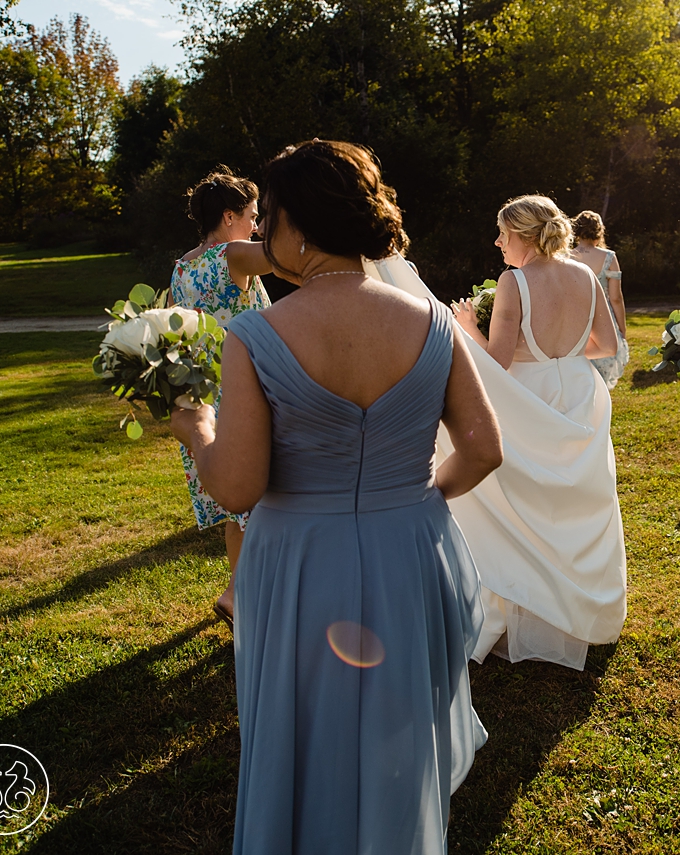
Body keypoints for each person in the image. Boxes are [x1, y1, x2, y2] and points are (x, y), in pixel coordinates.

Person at [169, 140, 502, 853]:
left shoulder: (256, 334)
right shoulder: (435, 322)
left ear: (300, 227)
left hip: (300, 565)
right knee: (397, 741)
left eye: (270, 222)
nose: (261, 238)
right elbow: (483, 450)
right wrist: (414, 500)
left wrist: (198, 428)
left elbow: (236, 485)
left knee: (303, 744)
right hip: (414, 552)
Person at [451, 195, 626, 671]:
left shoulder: (515, 281)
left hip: (528, 398)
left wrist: (468, 327)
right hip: (578, 393)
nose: (497, 242)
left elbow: (499, 361)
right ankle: (573, 608)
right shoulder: (587, 275)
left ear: (523, 236)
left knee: (519, 498)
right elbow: (606, 345)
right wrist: (563, 358)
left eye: (502, 234)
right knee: (576, 500)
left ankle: (518, 599)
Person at [171, 168, 273, 629]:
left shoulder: (182, 267)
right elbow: (287, 256)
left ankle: (238, 593)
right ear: (229, 216)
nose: (256, 225)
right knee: (262, 501)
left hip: (206, 398)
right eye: (252, 216)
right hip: (245, 392)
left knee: (240, 504)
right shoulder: (232, 256)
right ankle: (249, 595)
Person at [571, 210, 630, 389]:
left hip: (574, 320)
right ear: (598, 231)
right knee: (601, 373)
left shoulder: (565, 257)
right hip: (603, 319)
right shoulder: (609, 257)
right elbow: (616, 298)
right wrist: (621, 328)